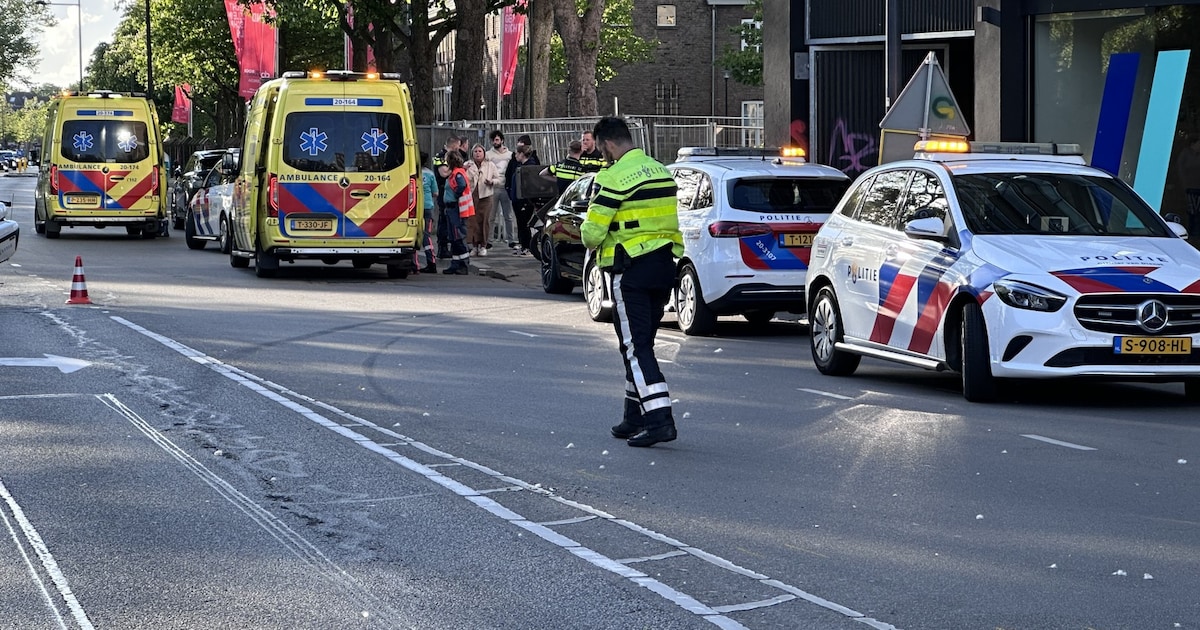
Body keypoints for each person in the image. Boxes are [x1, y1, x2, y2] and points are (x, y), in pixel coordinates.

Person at [580, 117, 684, 448]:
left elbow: (592, 233)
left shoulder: (612, 177)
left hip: (631, 271)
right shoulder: (659, 169)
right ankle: (633, 416)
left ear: (607, 144)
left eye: (599, 148)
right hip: (664, 265)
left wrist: (587, 228)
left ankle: (659, 420)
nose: (600, 154)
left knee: (635, 347)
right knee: (642, 343)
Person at [434, 135, 468, 259]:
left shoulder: (451, 156)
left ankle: (452, 249)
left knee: (452, 225)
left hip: (451, 195)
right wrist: (459, 168)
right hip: (444, 193)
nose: (459, 148)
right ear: (454, 145)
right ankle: (442, 247)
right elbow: (443, 173)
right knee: (444, 221)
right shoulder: (440, 157)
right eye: (458, 146)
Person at [440, 150, 473, 275]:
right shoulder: (454, 173)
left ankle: (463, 264)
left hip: (456, 209)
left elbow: (461, 186)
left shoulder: (458, 174)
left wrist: (455, 194)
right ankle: (455, 264)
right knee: (453, 238)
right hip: (451, 208)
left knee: (458, 237)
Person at [466, 143, 499, 256]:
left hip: (486, 195)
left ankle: (483, 245)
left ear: (484, 153)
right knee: (473, 220)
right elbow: (465, 178)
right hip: (472, 195)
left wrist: (492, 182)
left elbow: (498, 179)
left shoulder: (490, 165)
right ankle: (474, 246)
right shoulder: (468, 165)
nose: (478, 153)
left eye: (480, 151)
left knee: (484, 220)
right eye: (475, 151)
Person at [486, 130, 517, 248]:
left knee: (508, 215)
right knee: (491, 216)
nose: (495, 142)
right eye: (493, 140)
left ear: (502, 140)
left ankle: (511, 239)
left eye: (497, 139)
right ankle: (489, 240)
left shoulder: (510, 155)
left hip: (505, 187)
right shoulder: (489, 155)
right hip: (493, 187)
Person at [509, 145, 538, 256]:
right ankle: (523, 245)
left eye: (517, 153)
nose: (515, 155)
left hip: (524, 201)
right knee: (520, 224)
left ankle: (527, 246)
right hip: (517, 200)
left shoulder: (528, 167)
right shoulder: (520, 166)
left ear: (522, 154)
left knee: (524, 224)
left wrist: (525, 200)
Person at [418, 151, 438, 274]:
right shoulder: (430, 174)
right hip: (428, 207)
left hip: (415, 208)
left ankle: (414, 264)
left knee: (415, 236)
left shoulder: (412, 173)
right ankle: (431, 262)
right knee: (426, 236)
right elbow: (435, 193)